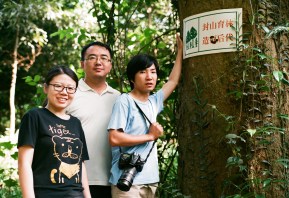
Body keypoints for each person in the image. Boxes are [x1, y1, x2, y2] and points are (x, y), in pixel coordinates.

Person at [107, 33, 183, 198]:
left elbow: (172, 81)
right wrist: (149, 136)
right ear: (132, 78)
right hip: (127, 182)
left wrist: (180, 51)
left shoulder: (153, 102)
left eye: (153, 72)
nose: (149, 76)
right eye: (142, 72)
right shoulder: (124, 101)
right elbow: (114, 138)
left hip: (151, 180)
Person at [18, 66, 91, 198]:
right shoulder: (34, 116)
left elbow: (81, 166)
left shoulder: (76, 123)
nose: (64, 92)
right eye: (58, 86)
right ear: (46, 88)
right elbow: (24, 163)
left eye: (70, 88)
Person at [66, 41, 120, 198]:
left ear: (110, 65)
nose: (98, 62)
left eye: (104, 58)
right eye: (92, 58)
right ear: (82, 64)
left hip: (113, 181)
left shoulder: (120, 98)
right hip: (73, 179)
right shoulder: (68, 93)